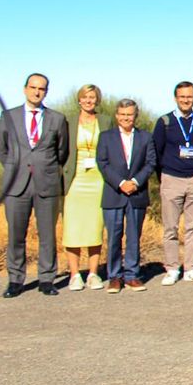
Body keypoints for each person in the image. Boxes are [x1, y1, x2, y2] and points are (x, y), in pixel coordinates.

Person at [1, 73, 69, 298]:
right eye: (33, 87)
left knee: (47, 234)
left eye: (41, 88)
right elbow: (2, 149)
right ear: (25, 89)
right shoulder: (8, 116)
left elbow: (62, 151)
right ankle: (15, 280)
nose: (36, 92)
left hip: (46, 183)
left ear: (46, 92)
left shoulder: (57, 119)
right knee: (16, 234)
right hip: (16, 185)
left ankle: (47, 279)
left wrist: (44, 167)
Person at [95, 99, 157, 293]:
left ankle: (132, 275)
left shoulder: (145, 137)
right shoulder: (106, 137)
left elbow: (150, 162)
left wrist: (135, 182)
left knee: (133, 237)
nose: (126, 118)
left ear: (135, 115)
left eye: (129, 114)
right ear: (116, 115)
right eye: (122, 114)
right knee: (114, 236)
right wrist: (121, 183)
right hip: (114, 193)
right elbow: (102, 163)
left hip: (137, 194)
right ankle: (114, 276)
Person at [153, 81, 193, 285]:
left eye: (189, 96)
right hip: (171, 178)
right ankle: (172, 268)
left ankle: (191, 268)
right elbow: (156, 151)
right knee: (170, 228)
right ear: (176, 98)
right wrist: (163, 175)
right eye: (182, 96)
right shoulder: (165, 122)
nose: (186, 100)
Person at [63, 85, 110, 291]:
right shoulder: (68, 122)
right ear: (79, 99)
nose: (89, 100)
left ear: (97, 100)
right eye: (85, 97)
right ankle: (74, 275)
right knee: (72, 228)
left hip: (98, 180)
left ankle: (93, 273)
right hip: (75, 180)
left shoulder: (105, 121)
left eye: (92, 97)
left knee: (95, 227)